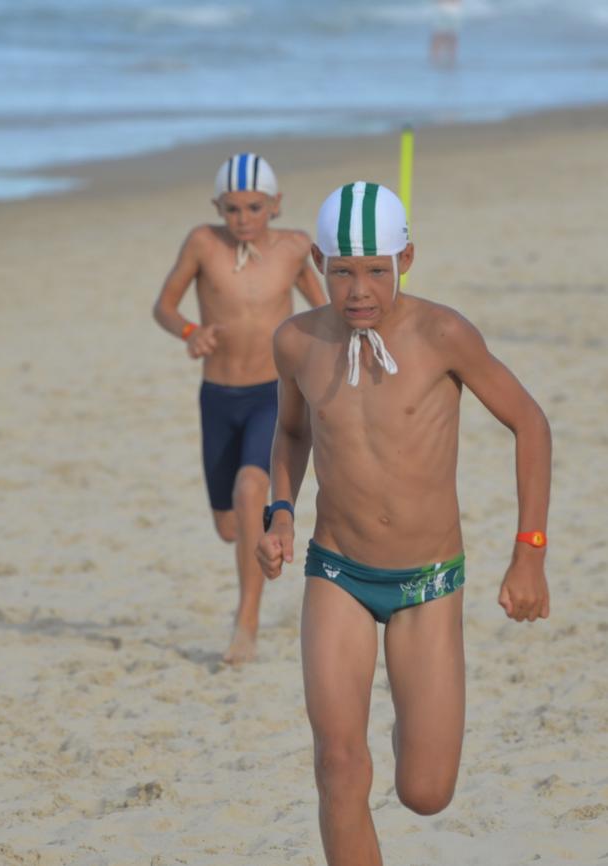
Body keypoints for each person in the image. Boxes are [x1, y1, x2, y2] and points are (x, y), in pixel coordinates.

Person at [256, 182, 551, 865]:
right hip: (337, 572)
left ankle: (410, 735)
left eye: (377, 272)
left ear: (406, 259)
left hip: (427, 581)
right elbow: (292, 434)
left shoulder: (441, 333)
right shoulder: (297, 340)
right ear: (319, 265)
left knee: (425, 792)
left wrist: (528, 551)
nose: (359, 290)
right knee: (338, 766)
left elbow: (530, 423)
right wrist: (280, 511)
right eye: (341, 272)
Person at [153, 152, 325, 664]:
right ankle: (246, 575)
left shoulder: (294, 248)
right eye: (232, 209)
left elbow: (323, 312)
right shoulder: (203, 244)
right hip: (218, 398)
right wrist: (190, 331)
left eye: (254, 207)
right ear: (217, 207)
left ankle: (245, 623)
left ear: (275, 204)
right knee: (230, 527)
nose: (243, 218)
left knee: (253, 488)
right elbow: (164, 304)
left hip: (272, 394)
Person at [430, 0, 462, 67]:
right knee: (452, 37)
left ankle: (434, 60)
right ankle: (452, 60)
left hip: (442, 9)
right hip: (455, 10)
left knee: (438, 36)